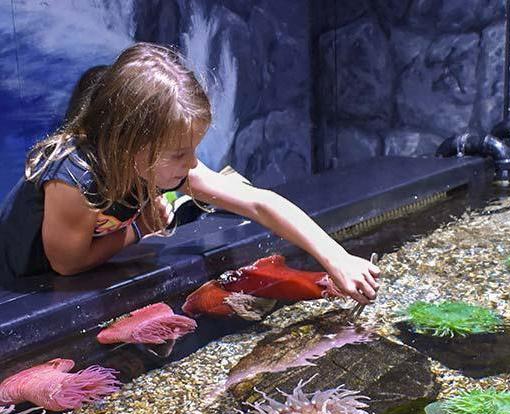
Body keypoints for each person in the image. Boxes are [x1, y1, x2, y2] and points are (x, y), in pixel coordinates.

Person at [0, 43, 380, 304]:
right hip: (17, 286)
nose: (192, 163)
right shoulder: (74, 180)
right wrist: (137, 231)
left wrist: (336, 256)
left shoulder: (162, 165)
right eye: (181, 152)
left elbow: (258, 203)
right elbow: (68, 264)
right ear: (130, 145)